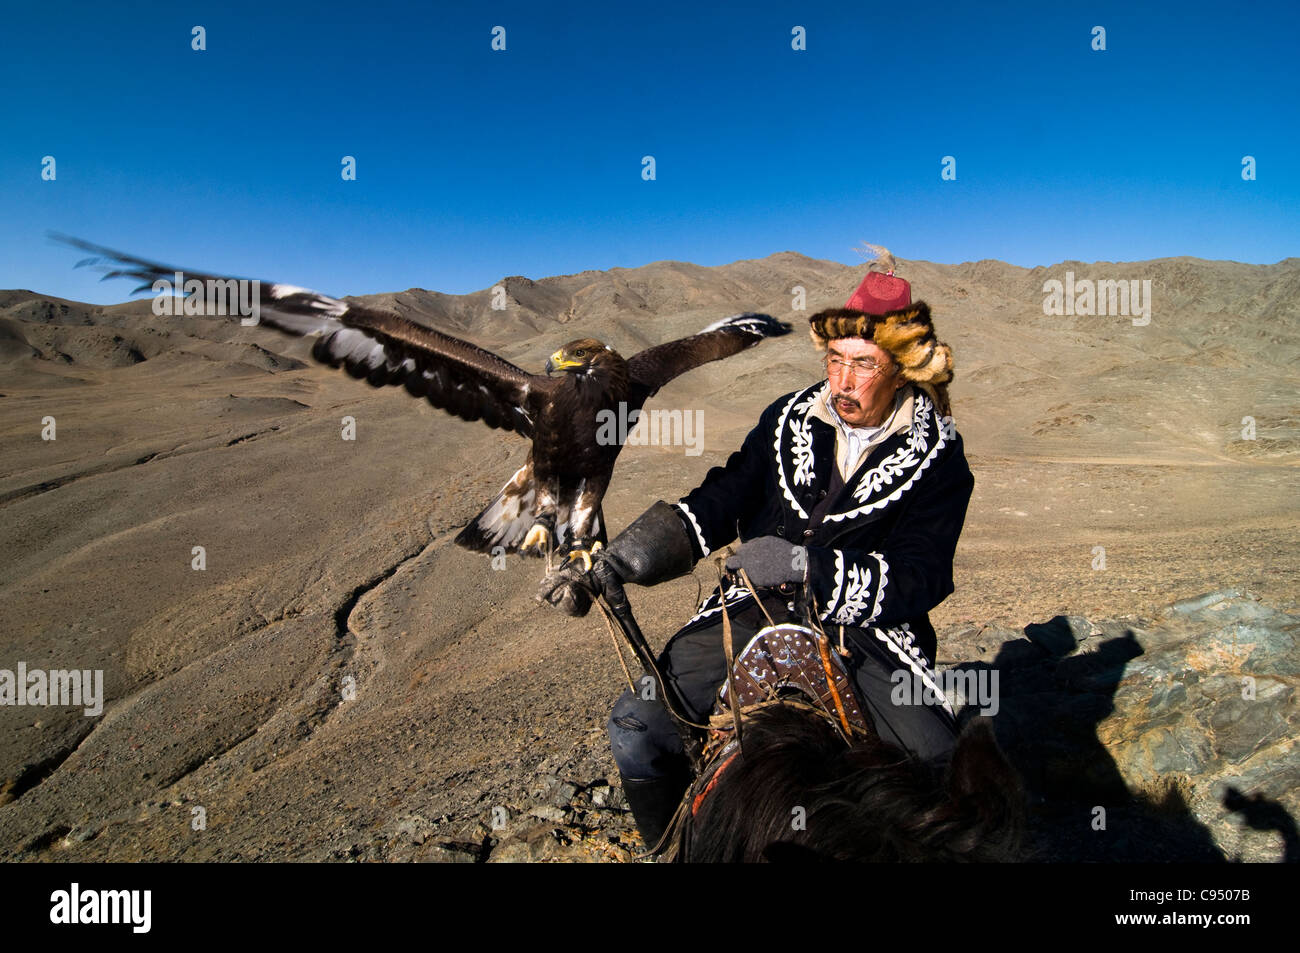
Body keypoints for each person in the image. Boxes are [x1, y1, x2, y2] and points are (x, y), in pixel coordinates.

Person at [537, 263, 974, 849]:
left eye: (864, 364)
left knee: (940, 774)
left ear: (899, 368)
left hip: (870, 632)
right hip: (752, 607)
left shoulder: (939, 455)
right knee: (636, 728)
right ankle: (665, 851)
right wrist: (620, 560)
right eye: (835, 360)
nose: (843, 380)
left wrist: (808, 568)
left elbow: (922, 574)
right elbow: (725, 498)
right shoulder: (787, 417)